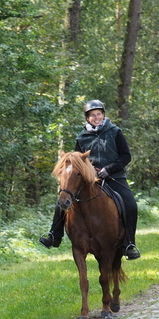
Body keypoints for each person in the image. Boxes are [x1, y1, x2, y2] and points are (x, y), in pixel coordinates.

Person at [39, 99, 141, 260]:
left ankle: (129, 244)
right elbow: (76, 161)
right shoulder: (82, 137)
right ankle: (54, 235)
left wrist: (109, 169)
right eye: (92, 115)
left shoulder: (115, 132)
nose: (96, 117)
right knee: (62, 201)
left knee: (130, 205)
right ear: (87, 118)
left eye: (98, 114)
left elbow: (126, 156)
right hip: (89, 179)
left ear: (103, 115)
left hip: (114, 177)